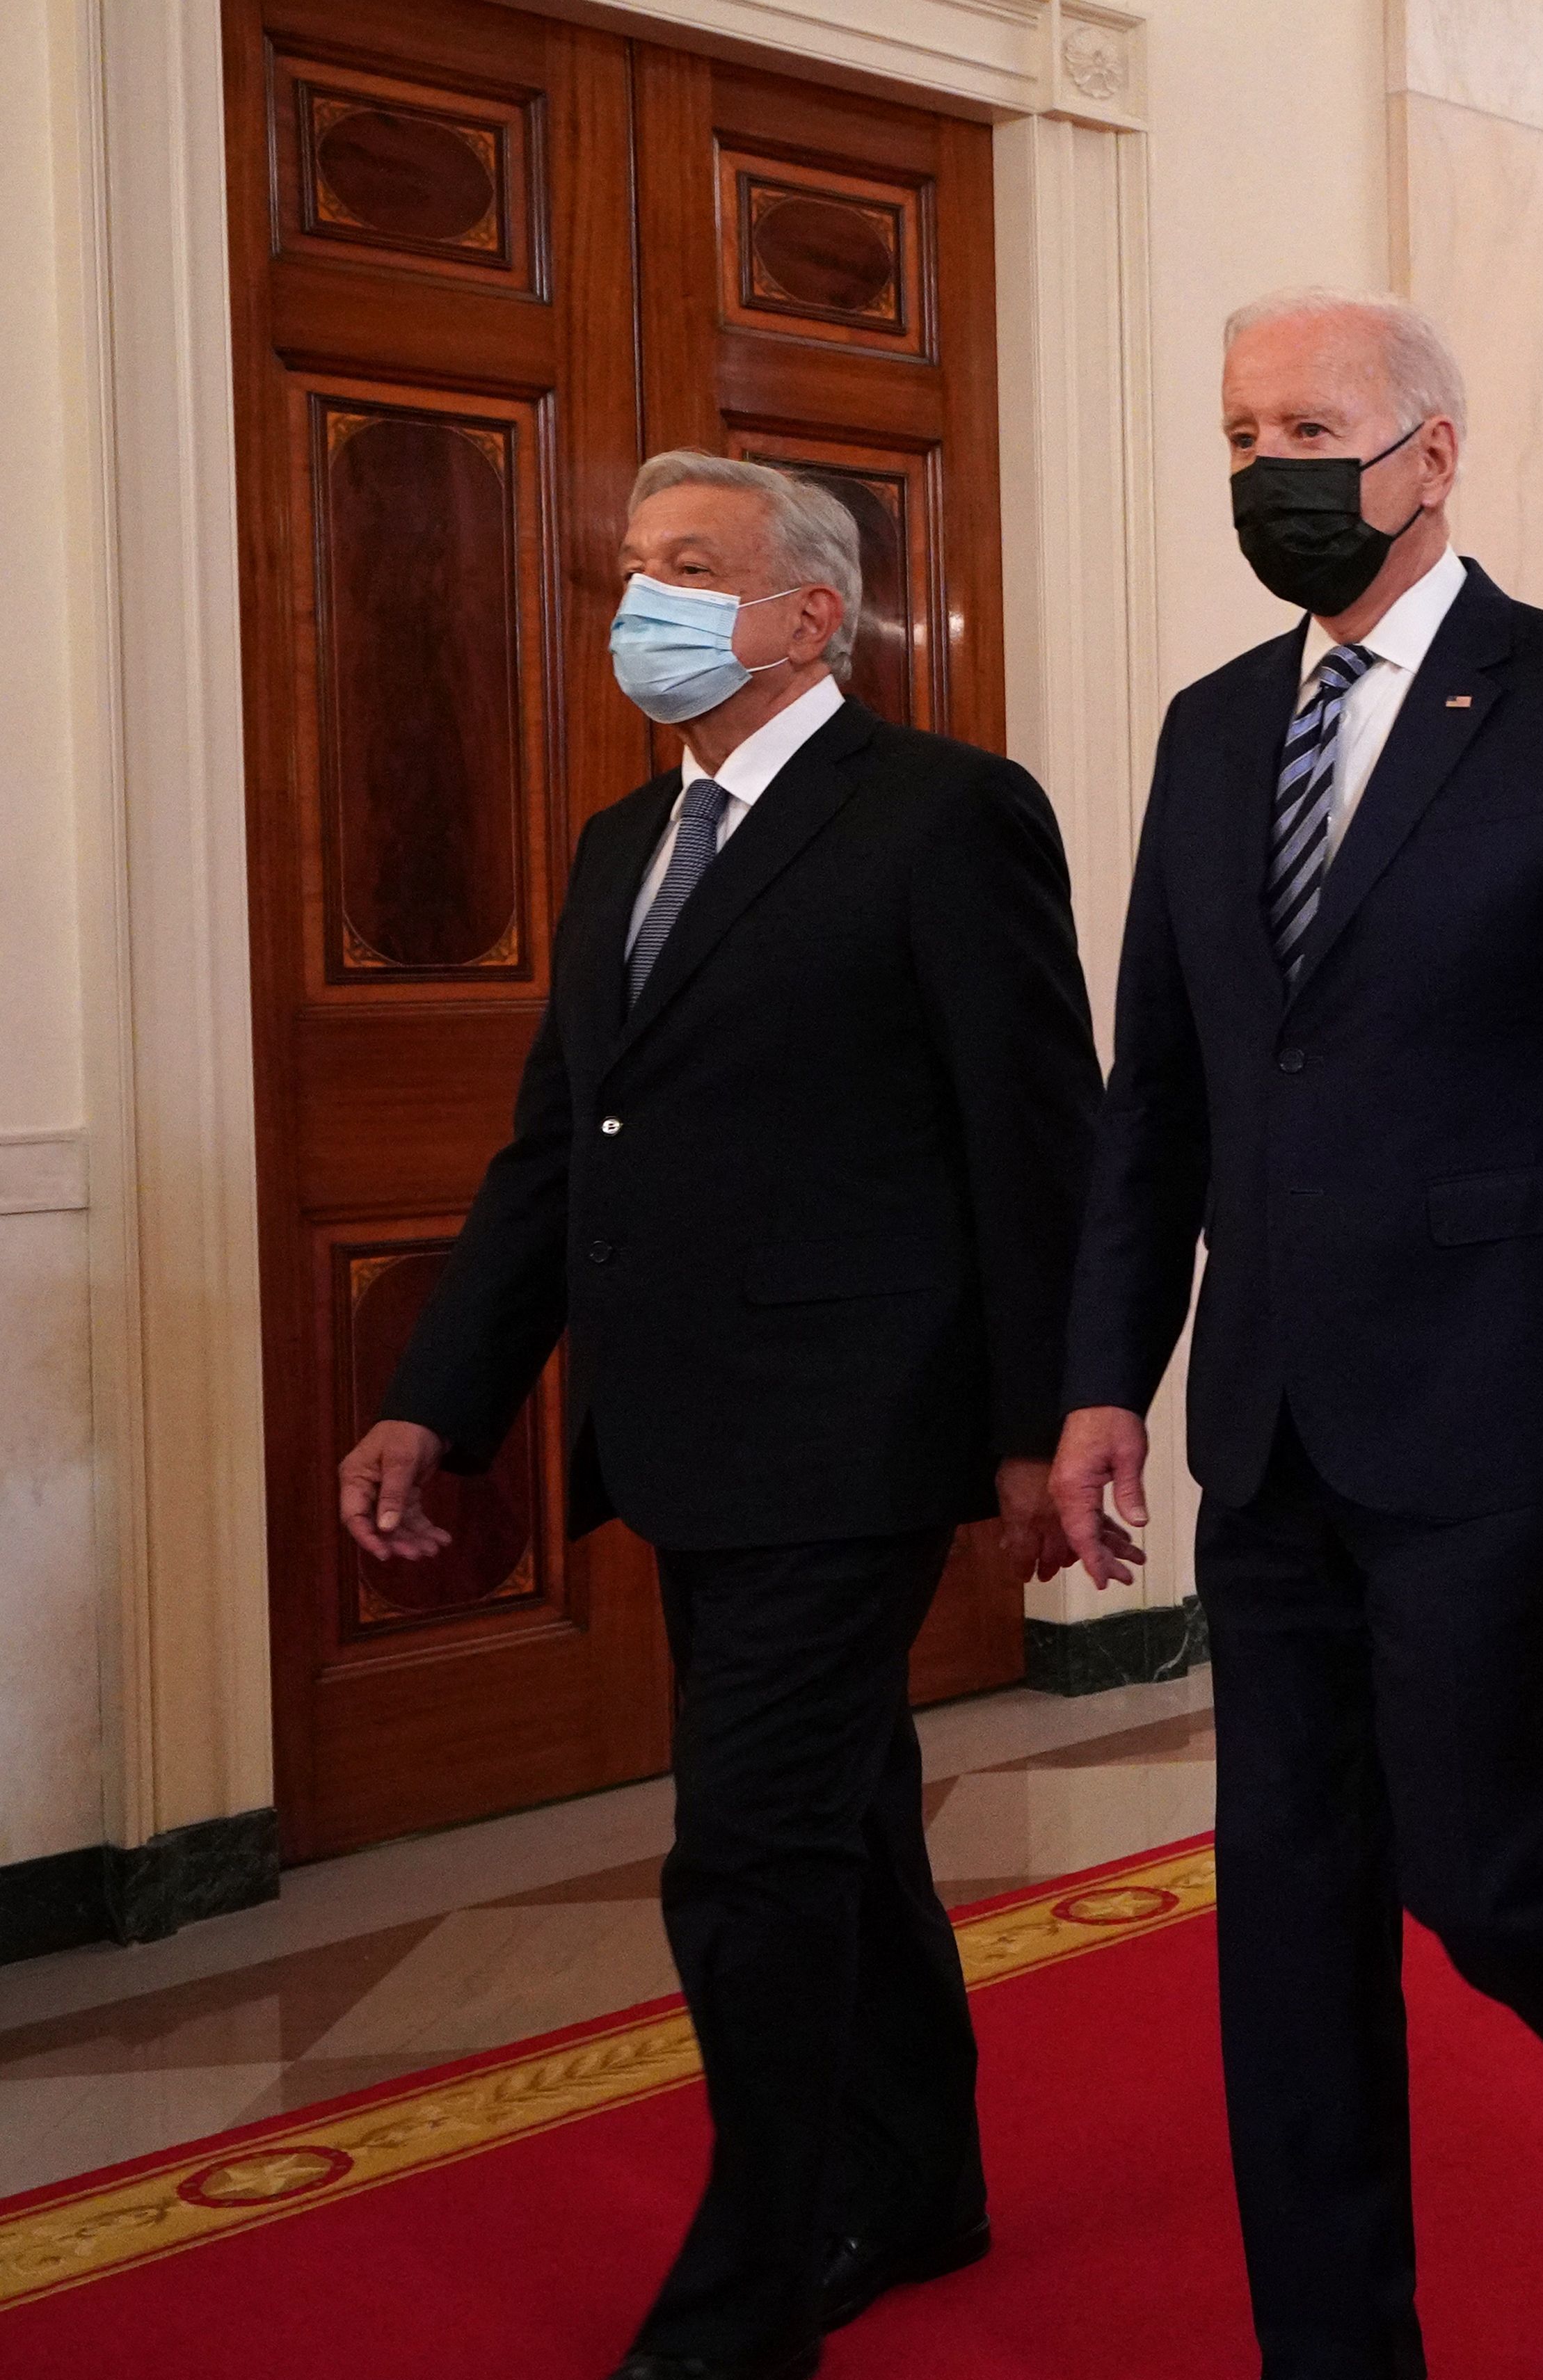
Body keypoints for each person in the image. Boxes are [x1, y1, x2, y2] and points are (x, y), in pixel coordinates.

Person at [1051, 291, 1543, 2377]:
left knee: (1492, 1868)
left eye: (1313, 426)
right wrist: (1114, 1374)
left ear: (1431, 456)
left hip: (1498, 1416)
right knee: (1284, 1925)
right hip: (1268, 1427)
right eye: (1241, 430)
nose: (1270, 466)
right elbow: (1158, 1093)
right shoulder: (1207, 731)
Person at [339, 453, 1103, 2380]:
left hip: (857, 1428)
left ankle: (755, 2281)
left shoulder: (944, 816)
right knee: (844, 1822)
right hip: (677, 1435)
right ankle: (919, 2180)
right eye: (630, 570)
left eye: (689, 569)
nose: (639, 604)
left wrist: (1046, 1422)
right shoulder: (620, 842)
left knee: (746, 1855)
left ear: (809, 614)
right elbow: (551, 1156)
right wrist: (438, 1405)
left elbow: (1035, 1143)